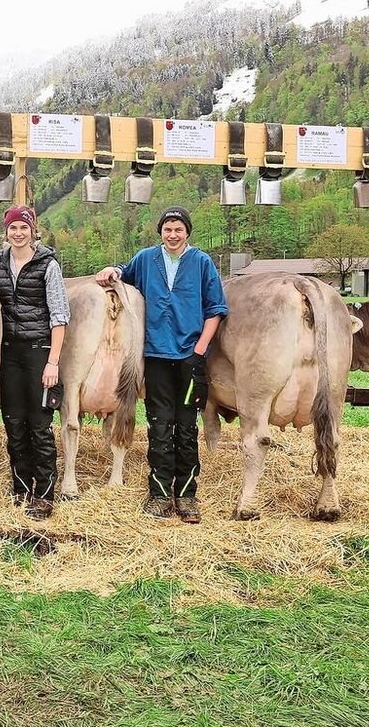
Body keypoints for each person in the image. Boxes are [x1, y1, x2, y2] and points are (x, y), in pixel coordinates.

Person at [95, 205, 227, 523]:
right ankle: (158, 494)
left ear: (187, 233)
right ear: (161, 232)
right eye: (167, 229)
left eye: (178, 229)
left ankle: (187, 495)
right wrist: (112, 270)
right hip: (155, 356)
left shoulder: (201, 263)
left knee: (186, 426)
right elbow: (124, 274)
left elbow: (216, 309)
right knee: (158, 424)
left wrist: (200, 349)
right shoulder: (146, 259)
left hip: (189, 359)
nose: (172, 234)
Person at [0, 205, 69, 520]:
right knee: (14, 423)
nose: (18, 233)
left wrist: (53, 362)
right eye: (13, 228)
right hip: (8, 352)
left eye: (23, 228)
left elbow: (59, 317)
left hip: (39, 350)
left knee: (39, 424)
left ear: (33, 231)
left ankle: (45, 495)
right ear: (7, 232)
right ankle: (21, 489)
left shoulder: (47, 265)